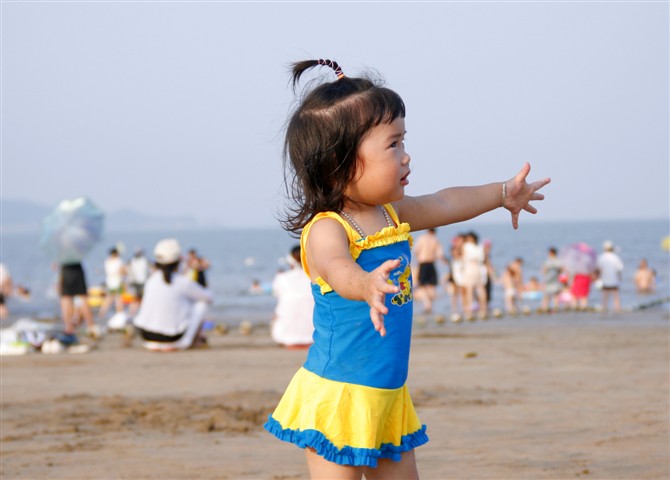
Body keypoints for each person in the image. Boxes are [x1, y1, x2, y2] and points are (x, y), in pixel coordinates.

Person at [263, 59, 550, 479]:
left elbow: (445, 203)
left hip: (388, 393)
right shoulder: (328, 228)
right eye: (393, 145)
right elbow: (338, 268)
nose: (406, 156)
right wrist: (365, 283)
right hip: (339, 395)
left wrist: (502, 192)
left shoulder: (391, 213)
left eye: (403, 141)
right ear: (341, 162)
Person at [133, 239, 213, 351]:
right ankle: (190, 340)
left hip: (146, 337)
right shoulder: (182, 281)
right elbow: (209, 297)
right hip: (174, 339)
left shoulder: (150, 281)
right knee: (201, 303)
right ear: (178, 261)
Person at [271, 245, 315, 349]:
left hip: (284, 336)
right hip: (315, 335)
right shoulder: (315, 278)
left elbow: (276, 294)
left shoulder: (281, 278)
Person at [58, 261, 99, 343]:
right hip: (77, 268)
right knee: (82, 297)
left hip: (66, 269)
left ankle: (69, 329)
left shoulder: (62, 255)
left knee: (66, 298)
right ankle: (91, 326)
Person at [412, 228, 445, 314]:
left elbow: (416, 250)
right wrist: (444, 261)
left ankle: (427, 304)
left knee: (422, 285)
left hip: (423, 263)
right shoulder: (435, 240)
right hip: (431, 263)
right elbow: (440, 253)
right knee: (431, 285)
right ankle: (429, 305)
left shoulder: (422, 238)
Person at [461, 231, 488, 319]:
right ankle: (484, 308)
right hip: (479, 268)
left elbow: (463, 258)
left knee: (469, 289)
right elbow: (484, 258)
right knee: (481, 288)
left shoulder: (466, 246)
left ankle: (470, 309)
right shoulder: (480, 246)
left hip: (470, 268)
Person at [98, 247, 127, 320]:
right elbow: (123, 271)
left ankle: (101, 313)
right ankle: (120, 314)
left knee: (108, 299)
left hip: (109, 283)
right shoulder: (118, 261)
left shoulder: (107, 261)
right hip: (117, 282)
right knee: (118, 299)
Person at [596, 240, 624, 312]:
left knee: (605, 295)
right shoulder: (615, 257)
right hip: (614, 279)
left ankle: (604, 308)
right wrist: (620, 278)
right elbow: (619, 269)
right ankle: (617, 309)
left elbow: (598, 269)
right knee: (616, 295)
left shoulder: (602, 257)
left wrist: (598, 278)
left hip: (605, 279)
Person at [128, 248, 151, 314]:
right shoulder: (144, 260)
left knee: (137, 298)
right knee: (140, 298)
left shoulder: (132, 260)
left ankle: (133, 313)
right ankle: (134, 313)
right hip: (140, 282)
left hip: (138, 282)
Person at [540, 247, 563, 312]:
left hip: (550, 280)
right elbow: (561, 270)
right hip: (555, 280)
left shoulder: (548, 261)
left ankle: (545, 307)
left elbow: (544, 270)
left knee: (547, 295)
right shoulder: (558, 261)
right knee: (555, 295)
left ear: (551, 253)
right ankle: (556, 307)